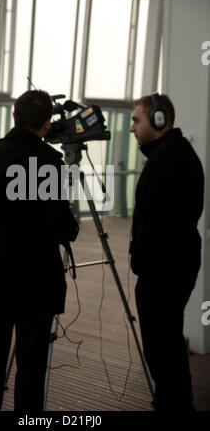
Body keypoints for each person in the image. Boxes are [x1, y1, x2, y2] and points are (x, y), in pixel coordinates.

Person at [0, 89, 79, 412]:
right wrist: (71, 220)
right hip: (37, 282)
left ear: (13, 116)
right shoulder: (50, 165)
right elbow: (63, 229)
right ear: (47, 124)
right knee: (30, 370)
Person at [129, 93, 204, 411]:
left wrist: (142, 262)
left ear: (159, 120)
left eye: (136, 120)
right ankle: (172, 400)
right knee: (167, 342)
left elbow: (159, 224)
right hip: (173, 265)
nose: (132, 128)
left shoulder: (168, 160)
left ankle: (174, 403)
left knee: (163, 347)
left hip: (164, 270)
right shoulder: (174, 153)